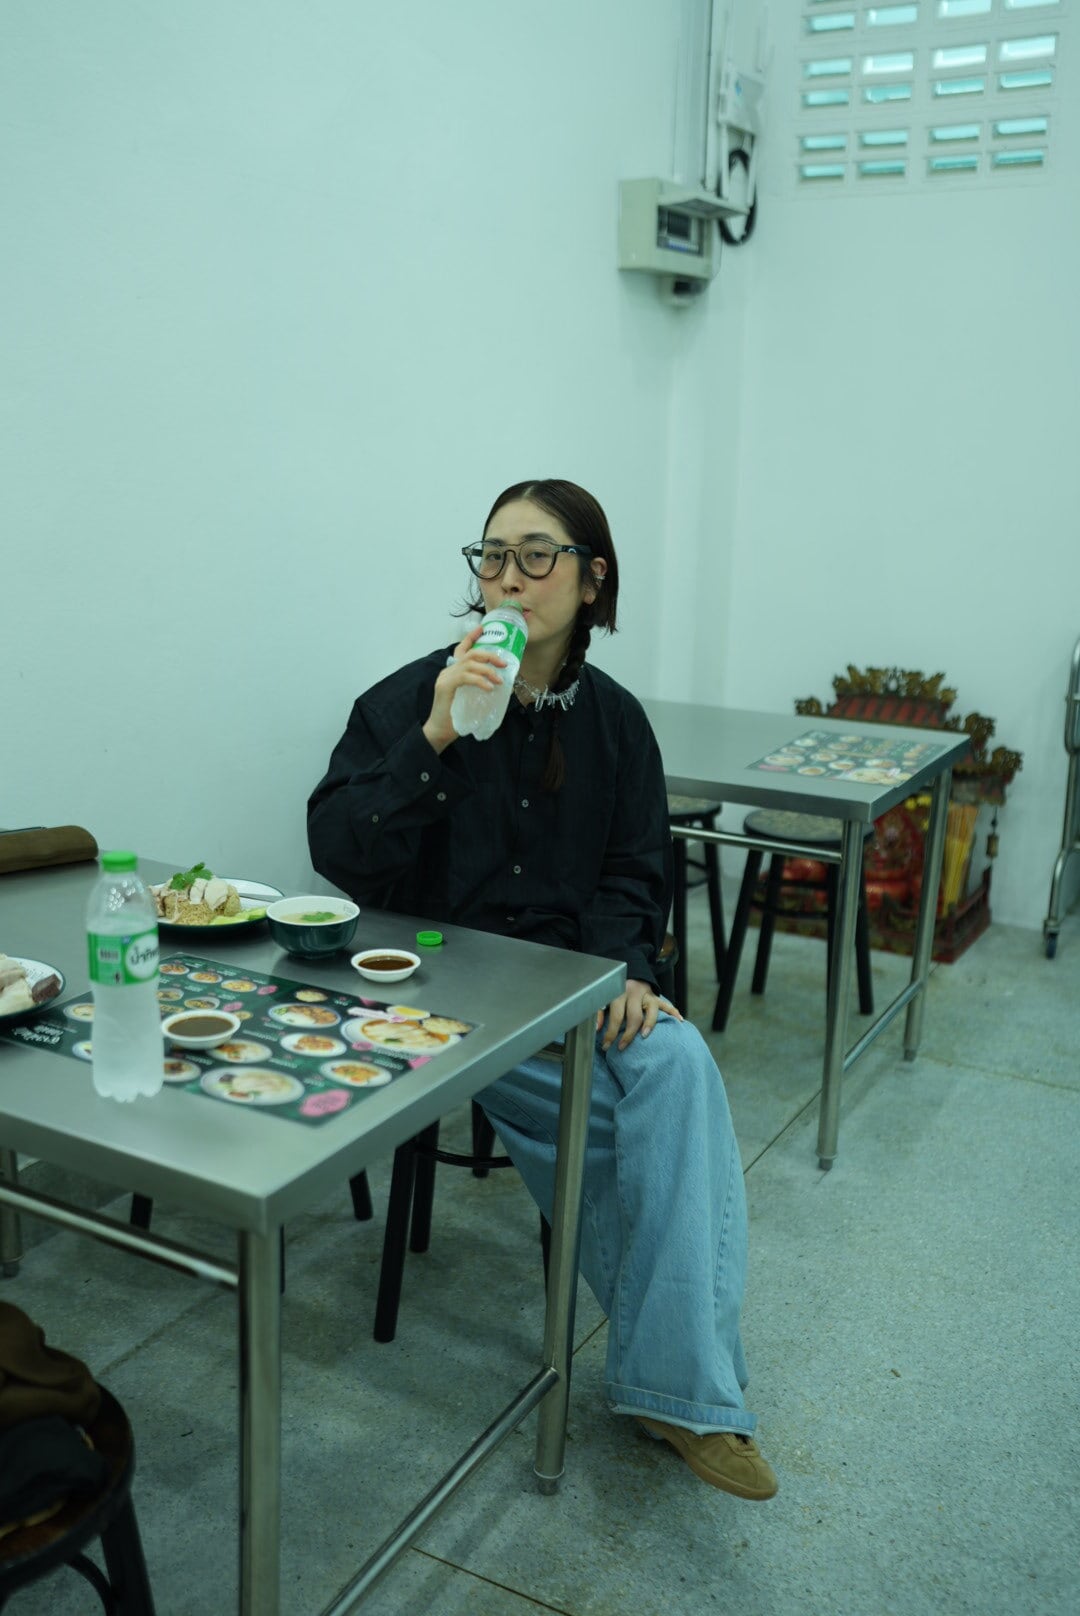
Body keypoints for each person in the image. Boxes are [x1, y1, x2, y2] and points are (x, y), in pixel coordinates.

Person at [307, 479, 777, 1500]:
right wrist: (435, 736)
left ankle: (674, 1387)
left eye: (536, 555)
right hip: (439, 991)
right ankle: (686, 1393)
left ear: (591, 579)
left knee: (676, 1062)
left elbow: (634, 869)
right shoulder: (409, 699)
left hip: (568, 987)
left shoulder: (616, 723)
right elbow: (339, 852)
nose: (508, 578)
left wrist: (627, 969)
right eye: (492, 556)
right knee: (632, 1129)